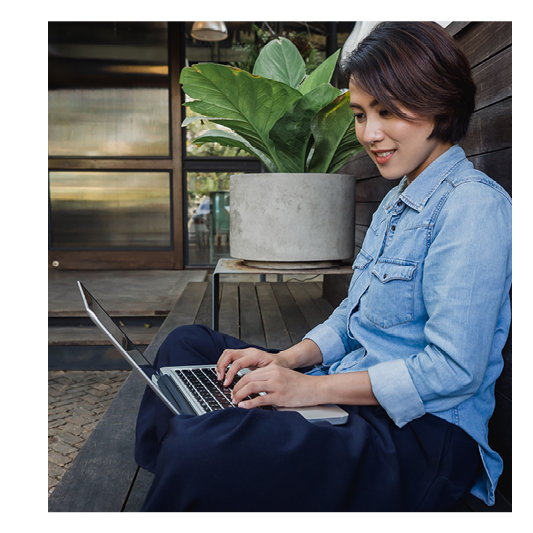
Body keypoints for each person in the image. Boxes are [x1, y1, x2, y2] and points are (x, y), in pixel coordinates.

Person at [135, 22, 512, 512]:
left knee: (202, 444)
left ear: (439, 103)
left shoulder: (473, 208)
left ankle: (199, 465)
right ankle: (193, 475)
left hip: (420, 438)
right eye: (360, 114)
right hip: (349, 388)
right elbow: (349, 319)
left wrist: (308, 390)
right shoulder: (397, 202)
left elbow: (452, 371)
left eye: (388, 112)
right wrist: (286, 361)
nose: (369, 134)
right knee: (188, 346)